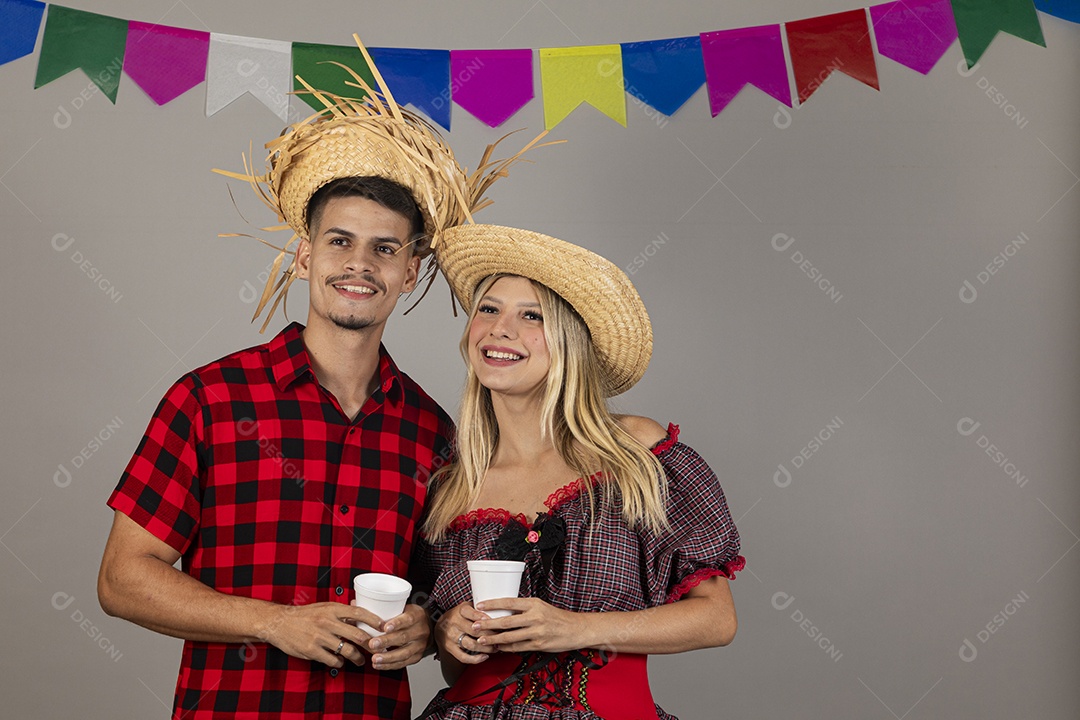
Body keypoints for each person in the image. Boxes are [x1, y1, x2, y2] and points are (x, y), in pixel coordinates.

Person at [97, 46, 545, 719]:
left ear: (410, 271)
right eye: (339, 241)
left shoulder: (434, 434)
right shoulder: (211, 400)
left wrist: (424, 629)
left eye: (384, 248)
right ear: (304, 253)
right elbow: (123, 580)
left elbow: (438, 595)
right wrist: (274, 622)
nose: (359, 264)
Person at [414, 224, 745, 719]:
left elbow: (716, 620)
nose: (500, 329)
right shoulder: (451, 483)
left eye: (532, 316)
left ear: (568, 340)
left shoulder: (634, 450)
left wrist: (577, 628)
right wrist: (450, 634)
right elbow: (458, 671)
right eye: (488, 308)